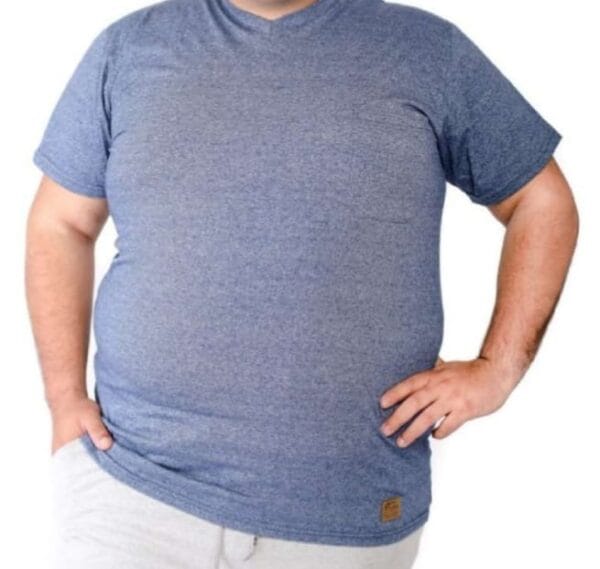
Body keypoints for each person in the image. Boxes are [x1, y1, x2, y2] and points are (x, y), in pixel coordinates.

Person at [25, 0, 578, 567]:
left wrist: (498, 369)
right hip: (129, 487)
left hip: (345, 513)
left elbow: (541, 201)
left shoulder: (428, 52)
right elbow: (61, 223)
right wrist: (63, 399)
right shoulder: (127, 50)